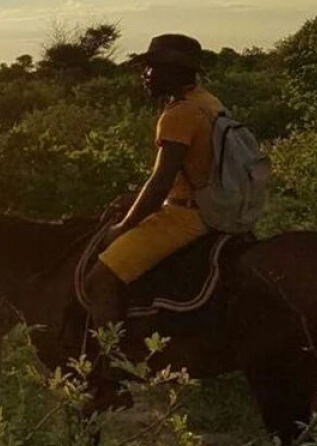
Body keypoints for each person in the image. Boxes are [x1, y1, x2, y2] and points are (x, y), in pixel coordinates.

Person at [84, 33, 224, 330]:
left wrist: (123, 227)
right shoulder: (208, 102)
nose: (144, 75)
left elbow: (160, 183)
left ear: (173, 71)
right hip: (212, 206)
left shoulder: (179, 114)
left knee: (100, 279)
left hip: (186, 216)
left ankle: (111, 354)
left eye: (151, 68)